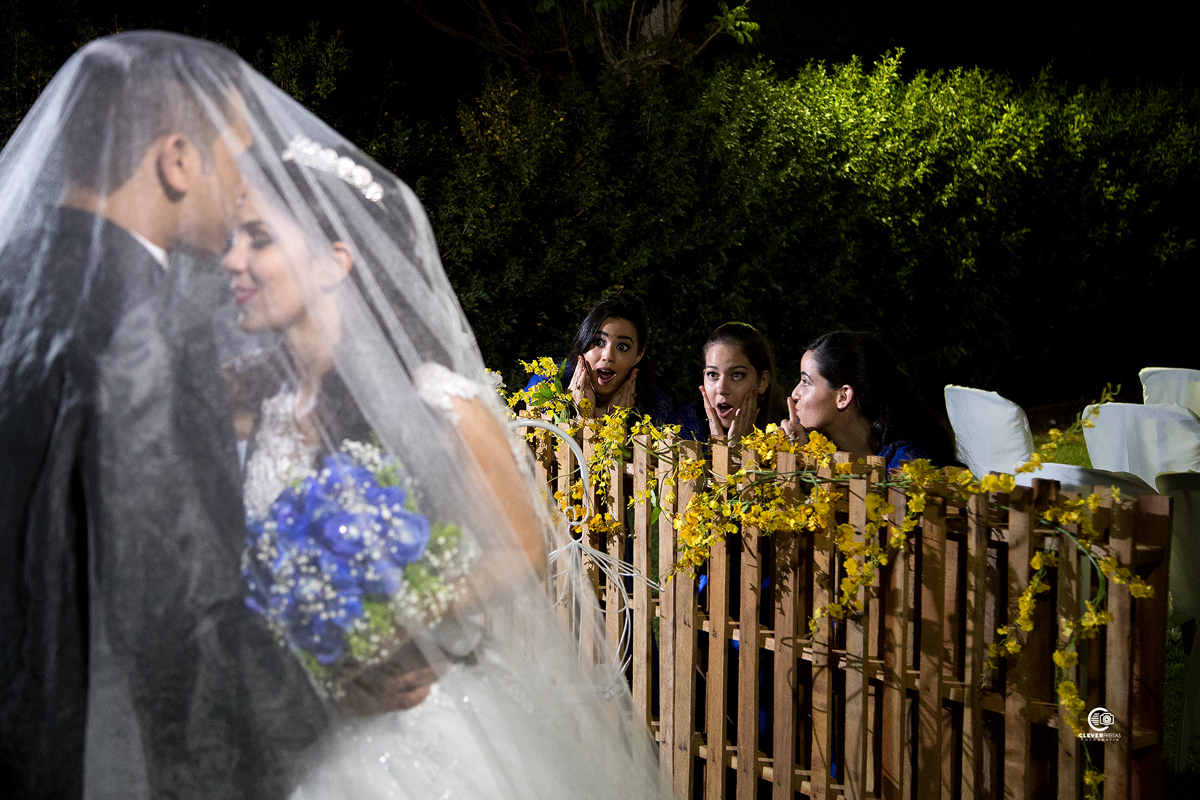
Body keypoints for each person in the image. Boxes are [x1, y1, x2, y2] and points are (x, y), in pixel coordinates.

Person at [209, 57, 664, 800]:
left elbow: (523, 545)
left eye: (257, 238)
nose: (232, 260)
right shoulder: (253, 404)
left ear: (335, 260)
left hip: (415, 733)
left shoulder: (432, 397)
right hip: (280, 729)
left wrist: (384, 631)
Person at [0, 33, 332, 799]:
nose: (246, 189)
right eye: (236, 158)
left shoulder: (18, 287)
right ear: (178, 160)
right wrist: (329, 695)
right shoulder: (144, 328)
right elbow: (175, 599)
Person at [781, 330, 956, 469]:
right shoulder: (813, 446)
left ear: (843, 396)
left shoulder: (905, 464)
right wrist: (801, 455)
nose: (795, 393)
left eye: (806, 382)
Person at [525, 292, 673, 424]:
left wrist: (615, 425)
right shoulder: (546, 384)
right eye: (598, 342)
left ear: (638, 356)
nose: (607, 356)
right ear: (583, 346)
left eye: (622, 347)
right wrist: (584, 418)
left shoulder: (656, 405)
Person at [671, 321, 786, 445]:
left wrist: (738, 448)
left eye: (736, 375)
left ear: (762, 382)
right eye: (713, 375)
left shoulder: (786, 428)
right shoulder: (685, 425)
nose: (721, 389)